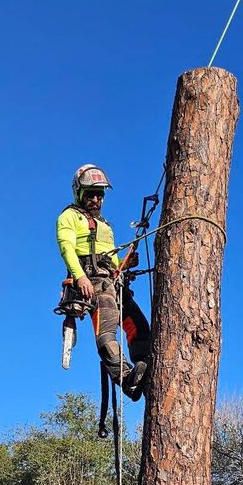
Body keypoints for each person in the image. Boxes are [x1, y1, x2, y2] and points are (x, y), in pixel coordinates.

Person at [56, 164, 150, 400]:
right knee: (106, 333)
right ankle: (126, 378)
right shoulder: (70, 216)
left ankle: (145, 368)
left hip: (114, 283)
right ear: (79, 192)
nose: (96, 199)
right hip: (93, 283)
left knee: (139, 326)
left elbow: (109, 259)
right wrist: (80, 277)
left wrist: (124, 264)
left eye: (99, 194)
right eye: (90, 193)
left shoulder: (105, 225)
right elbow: (67, 248)